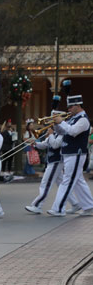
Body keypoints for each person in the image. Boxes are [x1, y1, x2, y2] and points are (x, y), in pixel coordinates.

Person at [48, 80, 93, 216]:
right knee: (78, 181)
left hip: (76, 153)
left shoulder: (83, 119)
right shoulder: (73, 118)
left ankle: (58, 208)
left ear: (77, 105)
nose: (68, 110)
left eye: (70, 107)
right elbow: (63, 132)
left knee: (67, 181)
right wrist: (55, 124)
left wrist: (61, 121)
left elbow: (73, 131)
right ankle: (89, 206)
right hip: (69, 153)